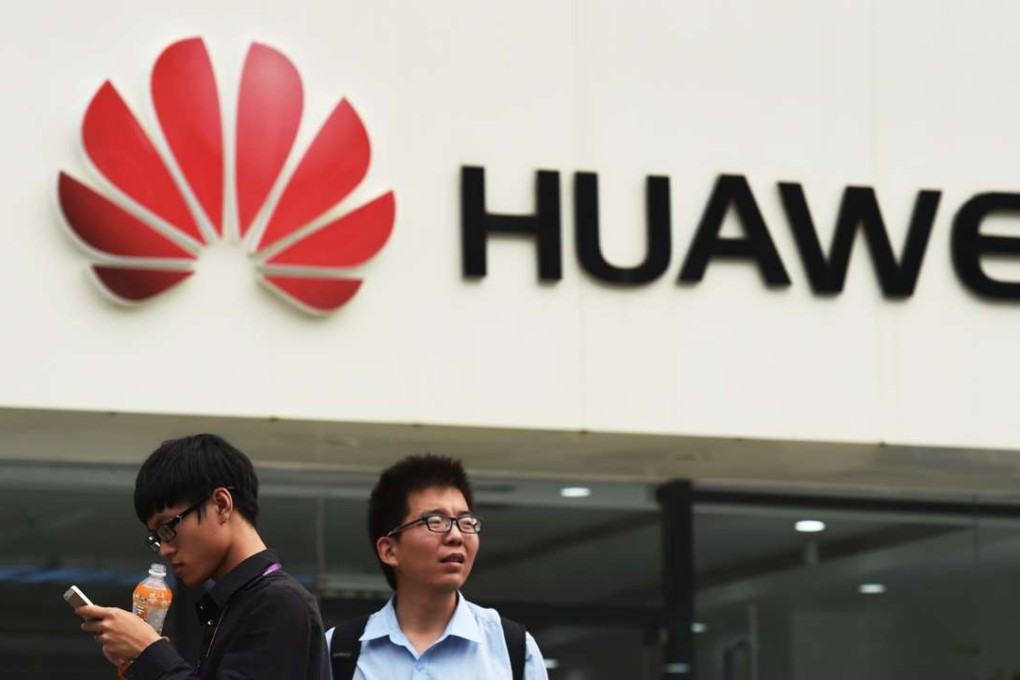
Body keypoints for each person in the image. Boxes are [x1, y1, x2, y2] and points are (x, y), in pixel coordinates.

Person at [77, 434, 329, 679]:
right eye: (157, 538)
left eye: (167, 528)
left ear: (221, 504)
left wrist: (150, 652)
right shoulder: (239, 604)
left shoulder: (278, 602)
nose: (165, 549)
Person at [325, 454, 549, 679]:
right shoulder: (339, 651)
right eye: (435, 522)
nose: (456, 536)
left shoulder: (513, 649)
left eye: (466, 522)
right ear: (389, 550)